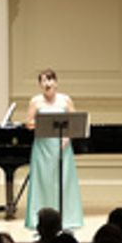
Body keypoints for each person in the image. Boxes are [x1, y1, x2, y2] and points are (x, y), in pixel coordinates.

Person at [25, 69, 83, 231]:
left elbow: (75, 123)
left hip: (62, 147)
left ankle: (66, 220)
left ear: (56, 83)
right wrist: (43, 124)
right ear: (40, 84)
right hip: (42, 148)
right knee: (43, 183)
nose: (47, 83)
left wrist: (66, 138)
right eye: (43, 81)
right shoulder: (35, 101)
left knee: (63, 182)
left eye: (50, 80)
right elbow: (29, 123)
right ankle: (41, 221)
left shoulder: (65, 100)